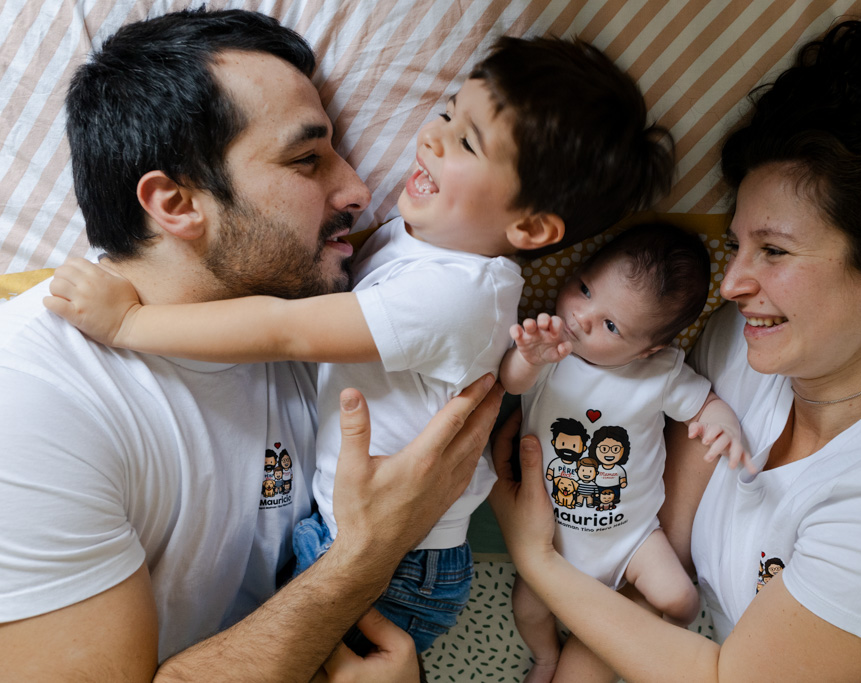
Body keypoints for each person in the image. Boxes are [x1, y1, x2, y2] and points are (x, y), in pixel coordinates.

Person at [44, 36, 674, 653]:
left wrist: (129, 326)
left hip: (400, 564)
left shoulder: (456, 293)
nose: (430, 136)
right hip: (363, 533)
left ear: (531, 226)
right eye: (448, 111)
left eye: (466, 143)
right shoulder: (422, 244)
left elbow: (285, 330)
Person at [489, 0, 861, 680]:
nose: (734, 282)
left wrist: (534, 556)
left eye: (774, 251)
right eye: (737, 243)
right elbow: (664, 557)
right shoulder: (744, 348)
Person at [0, 9, 506, 681]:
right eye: (307, 158)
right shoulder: (35, 392)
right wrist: (367, 557)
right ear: (176, 203)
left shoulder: (325, 328)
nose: (359, 190)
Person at [498, 223, 749, 682]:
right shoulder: (553, 353)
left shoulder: (660, 374)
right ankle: (547, 659)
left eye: (611, 325)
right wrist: (528, 356)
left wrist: (722, 425)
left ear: (647, 349)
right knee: (529, 609)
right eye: (584, 288)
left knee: (682, 601)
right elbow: (512, 383)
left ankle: (619, 632)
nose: (582, 317)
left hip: (633, 539)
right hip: (553, 539)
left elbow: (704, 405)